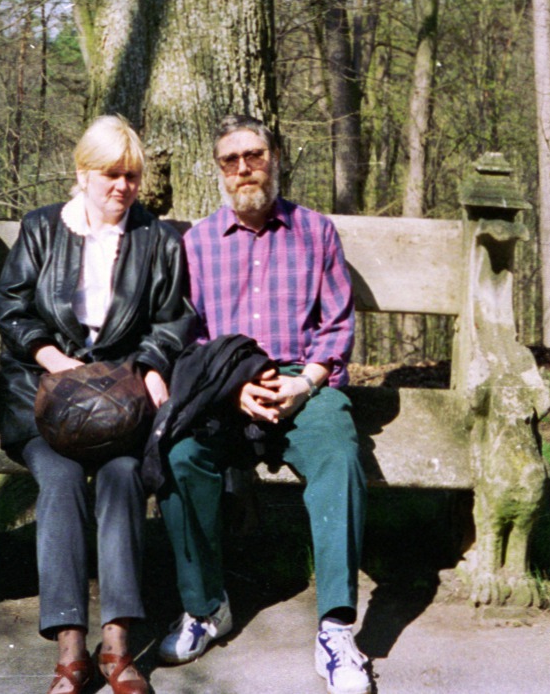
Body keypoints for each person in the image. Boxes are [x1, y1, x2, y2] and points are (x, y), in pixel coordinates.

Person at [157, 114, 372, 694]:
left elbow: (336, 326)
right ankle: (206, 607)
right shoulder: (197, 243)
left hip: (304, 384)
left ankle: (336, 629)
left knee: (339, 456)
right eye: (232, 160)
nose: (245, 168)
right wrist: (233, 387)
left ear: (275, 158)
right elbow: (192, 338)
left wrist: (307, 383)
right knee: (179, 457)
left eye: (255, 155)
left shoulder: (315, 231)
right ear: (219, 172)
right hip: (230, 391)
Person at [0, 115, 195, 694]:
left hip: (119, 406)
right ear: (82, 174)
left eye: (131, 176)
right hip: (43, 401)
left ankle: (117, 645)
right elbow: (12, 308)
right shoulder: (40, 229)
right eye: (110, 175)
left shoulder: (156, 239)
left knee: (125, 476)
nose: (122, 188)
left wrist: (153, 364)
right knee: (57, 481)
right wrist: (55, 361)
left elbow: (175, 317)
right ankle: (69, 647)